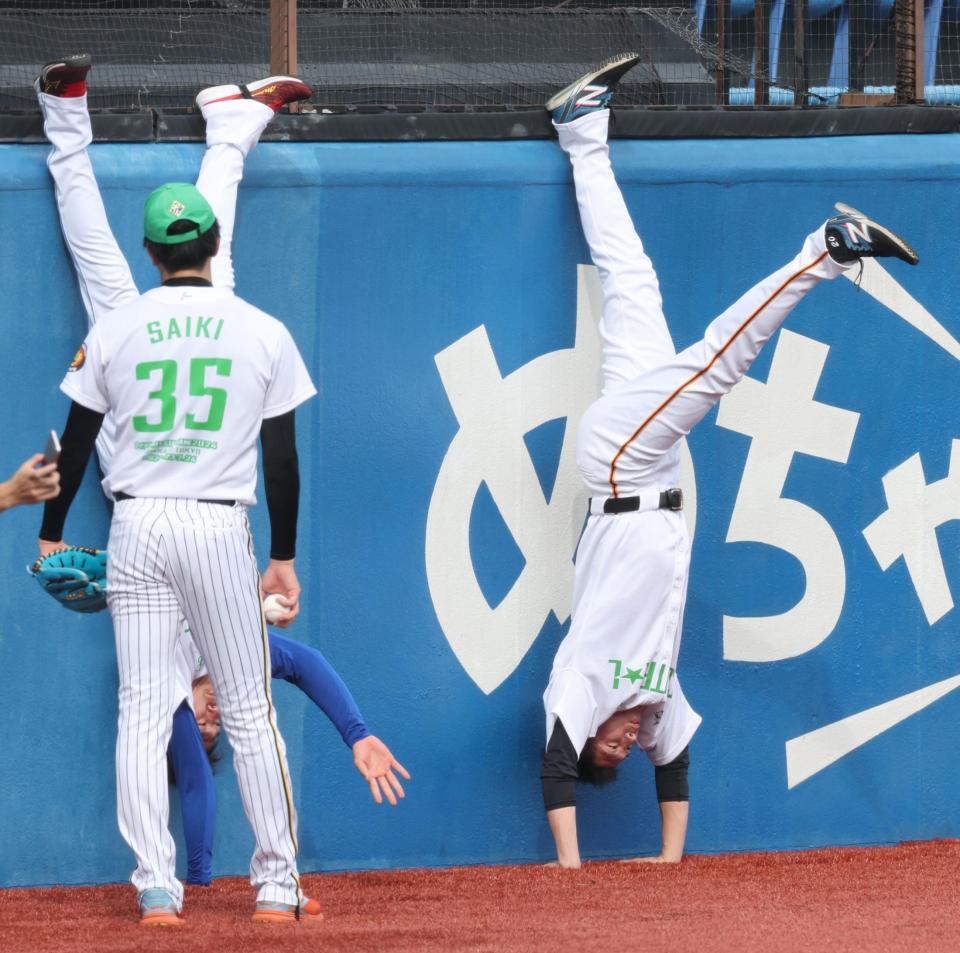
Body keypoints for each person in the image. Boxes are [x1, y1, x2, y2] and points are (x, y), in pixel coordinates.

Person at [539, 54, 919, 869]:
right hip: (656, 476)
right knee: (631, 281)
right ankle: (582, 133)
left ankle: (824, 250)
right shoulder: (656, 702)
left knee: (718, 362)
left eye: (611, 747)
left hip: (619, 473)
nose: (626, 739)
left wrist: (568, 870)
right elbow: (675, 768)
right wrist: (671, 861)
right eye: (624, 749)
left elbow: (554, 769)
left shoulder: (580, 689)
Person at [35, 54, 322, 926]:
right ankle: (275, 882)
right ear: (208, 246)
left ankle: (156, 885)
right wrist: (283, 557)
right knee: (246, 704)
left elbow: (75, 442)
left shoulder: (121, 324)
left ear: (157, 250)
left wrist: (50, 532)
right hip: (212, 521)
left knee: (139, 706)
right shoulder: (256, 326)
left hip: (137, 522)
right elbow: (283, 461)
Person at [171, 623, 409, 886]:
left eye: (204, 723)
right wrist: (199, 882)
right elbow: (197, 778)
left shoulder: (195, 660)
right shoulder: (191, 673)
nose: (213, 719)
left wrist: (357, 733)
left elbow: (304, 662)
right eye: (215, 727)